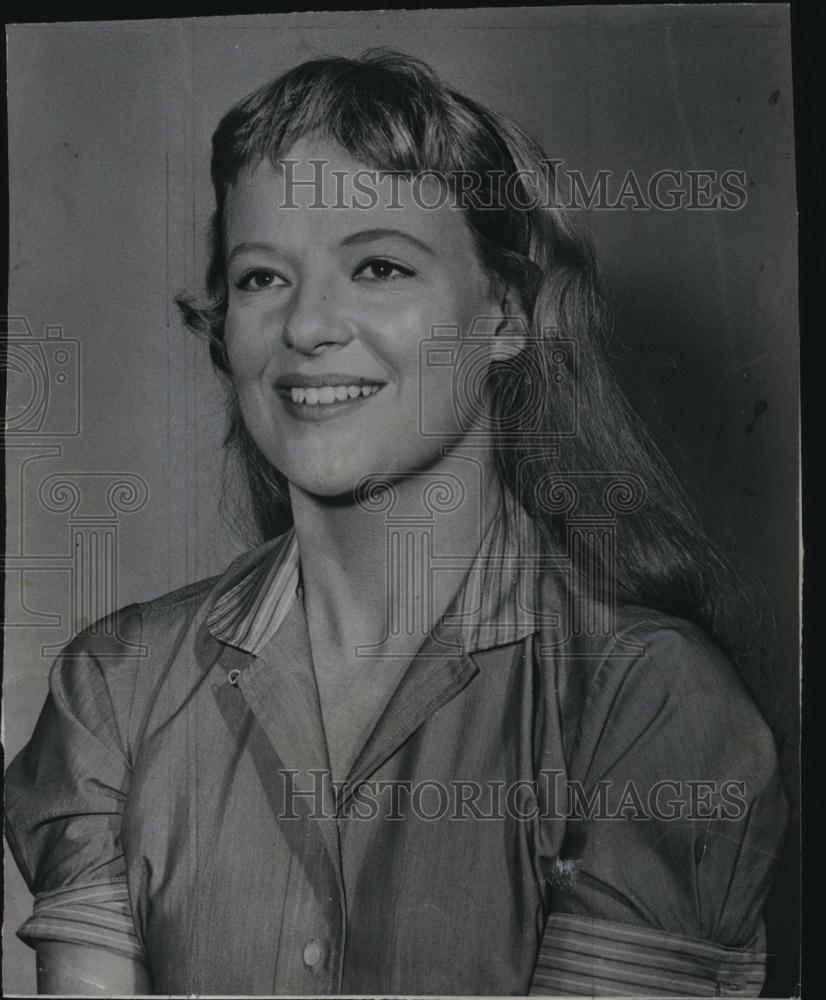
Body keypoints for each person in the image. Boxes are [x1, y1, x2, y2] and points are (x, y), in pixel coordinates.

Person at [5, 50, 788, 997]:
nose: (307, 327)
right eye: (261, 279)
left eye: (378, 265)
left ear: (508, 310)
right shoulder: (115, 692)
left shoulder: (647, 702)